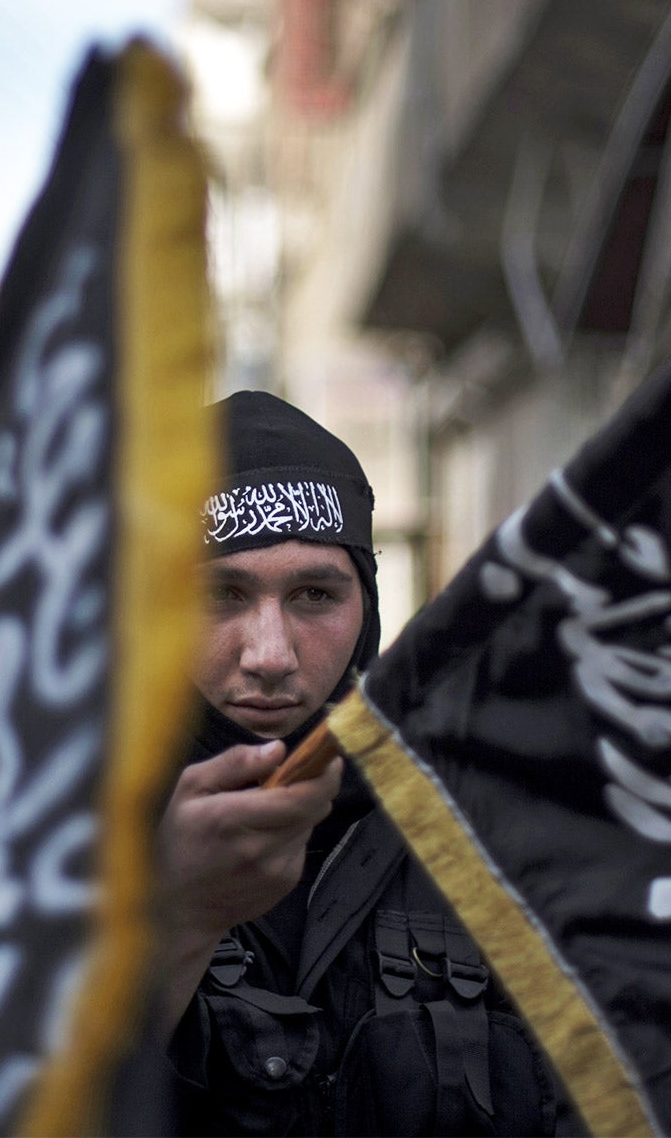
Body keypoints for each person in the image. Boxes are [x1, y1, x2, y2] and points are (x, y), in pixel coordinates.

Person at [157, 391, 563, 1135]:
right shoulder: (52, 839)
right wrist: (178, 921)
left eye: (315, 593)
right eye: (220, 594)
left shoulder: (476, 828)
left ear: (366, 608)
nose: (270, 656)